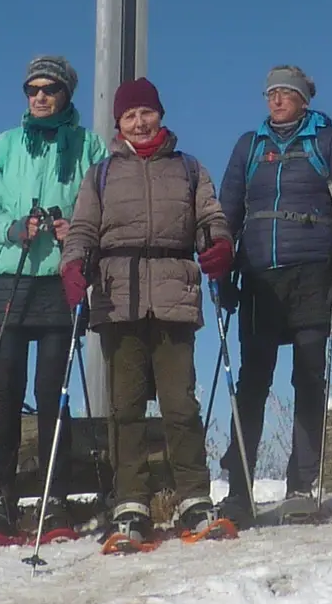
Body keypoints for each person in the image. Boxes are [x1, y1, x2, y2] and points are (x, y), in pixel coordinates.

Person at [59, 76, 235, 551]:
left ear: (160, 114)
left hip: (174, 294)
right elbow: (82, 229)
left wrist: (219, 246)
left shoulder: (189, 169)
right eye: (130, 115)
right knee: (126, 408)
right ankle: (130, 503)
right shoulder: (101, 174)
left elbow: (211, 218)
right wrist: (73, 264)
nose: (139, 121)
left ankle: (194, 499)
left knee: (181, 405)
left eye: (146, 112)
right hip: (119, 298)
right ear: (119, 122)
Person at [218, 64, 332, 523]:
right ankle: (239, 491)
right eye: (271, 94)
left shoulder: (327, 140)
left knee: (307, 379)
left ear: (304, 99)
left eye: (286, 93)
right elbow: (226, 211)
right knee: (252, 384)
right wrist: (223, 271)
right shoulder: (250, 145)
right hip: (260, 278)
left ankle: (302, 486)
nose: (276, 100)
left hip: (312, 275)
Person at [0, 55, 107, 540]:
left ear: (67, 93)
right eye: (32, 89)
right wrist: (10, 228)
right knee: (3, 391)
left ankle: (55, 500)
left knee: (54, 393)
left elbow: (103, 206)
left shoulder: (90, 145)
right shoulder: (6, 144)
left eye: (50, 88)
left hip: (60, 278)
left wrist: (77, 228)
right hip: (10, 274)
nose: (40, 96)